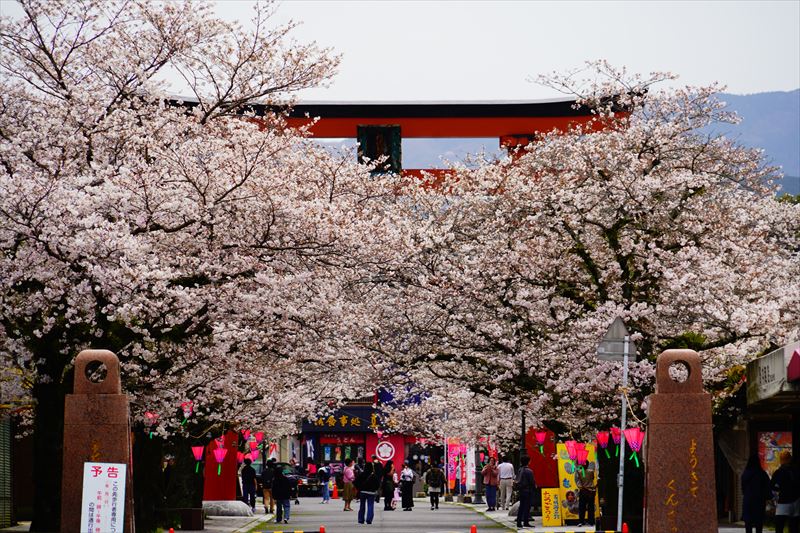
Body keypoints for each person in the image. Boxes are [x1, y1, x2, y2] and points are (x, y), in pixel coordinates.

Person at [771, 451, 800, 533]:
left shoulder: (779, 472)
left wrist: (778, 490)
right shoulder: (796, 471)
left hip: (783, 502)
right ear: (790, 459)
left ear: (781, 460)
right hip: (796, 501)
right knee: (794, 527)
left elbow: (773, 486)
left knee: (779, 526)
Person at [742, 453, 771, 533]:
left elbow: (743, 488)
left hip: (748, 501)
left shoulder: (745, 473)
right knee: (759, 524)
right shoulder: (762, 473)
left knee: (748, 524)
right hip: (759, 501)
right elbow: (768, 487)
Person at [515, 455, 535, 529]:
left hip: (521, 490)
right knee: (527, 507)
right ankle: (526, 522)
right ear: (528, 462)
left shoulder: (520, 470)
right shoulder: (529, 471)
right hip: (528, 490)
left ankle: (519, 522)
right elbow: (532, 482)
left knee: (521, 506)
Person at [576, 462, 597, 526]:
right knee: (591, 507)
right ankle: (591, 522)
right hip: (590, 491)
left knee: (582, 507)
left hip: (583, 491)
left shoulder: (579, 472)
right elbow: (592, 478)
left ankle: (581, 521)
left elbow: (579, 481)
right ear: (588, 465)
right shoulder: (591, 471)